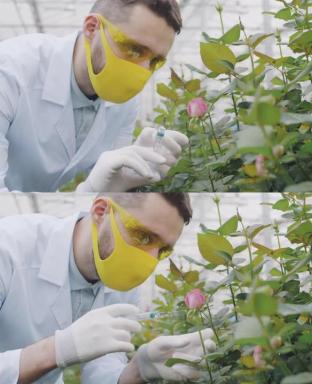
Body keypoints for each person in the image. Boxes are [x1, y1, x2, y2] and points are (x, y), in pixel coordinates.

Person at [0, 193, 216, 384]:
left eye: (162, 250)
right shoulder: (9, 248)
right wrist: (56, 350)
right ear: (101, 211)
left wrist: (137, 371)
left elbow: (101, 367)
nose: (149, 260)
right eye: (143, 236)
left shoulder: (123, 282)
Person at [0, 0, 189, 192]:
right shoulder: (10, 70)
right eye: (134, 50)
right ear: (92, 28)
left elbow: (105, 188)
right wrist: (88, 189)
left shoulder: (126, 102)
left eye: (155, 61)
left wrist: (122, 178)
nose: (142, 70)